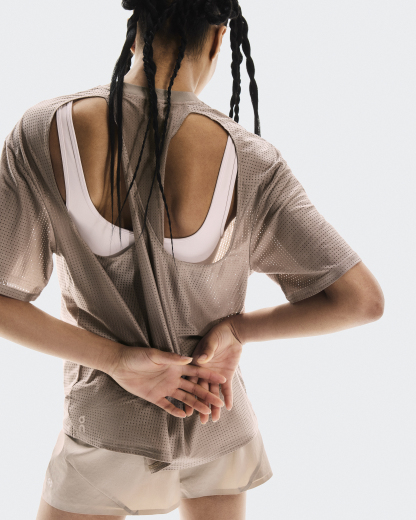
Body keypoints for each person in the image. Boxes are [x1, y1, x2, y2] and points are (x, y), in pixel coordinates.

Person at [0, 0, 384, 518]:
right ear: (219, 38)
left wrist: (117, 361)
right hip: (215, 413)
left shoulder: (42, 130)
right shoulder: (252, 160)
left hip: (108, 425)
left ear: (135, 28)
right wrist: (237, 330)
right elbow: (361, 301)